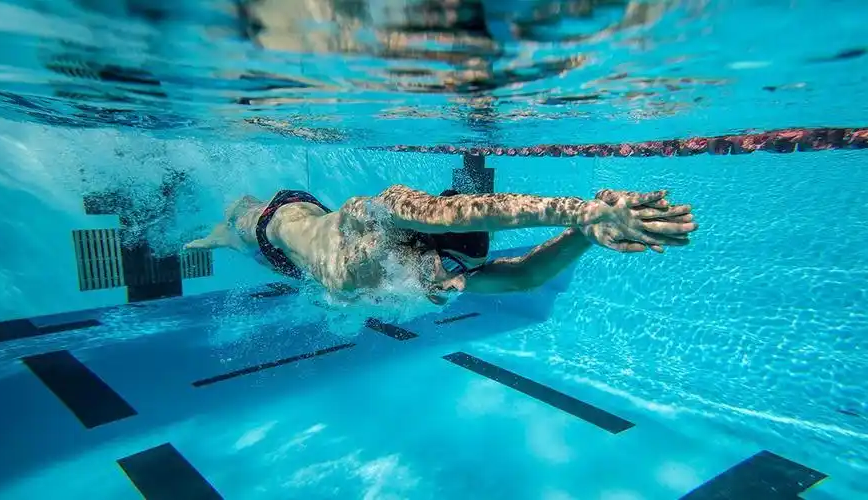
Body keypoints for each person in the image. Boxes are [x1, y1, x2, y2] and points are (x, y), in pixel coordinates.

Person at [186, 185, 696, 302]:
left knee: (261, 257)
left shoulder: (434, 270)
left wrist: (582, 237)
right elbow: (450, 213)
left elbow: (523, 276)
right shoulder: (382, 217)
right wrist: (578, 211)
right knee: (232, 230)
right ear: (422, 240)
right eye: (450, 263)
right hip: (275, 221)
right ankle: (223, 225)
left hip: (295, 266)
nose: (456, 283)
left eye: (463, 270)